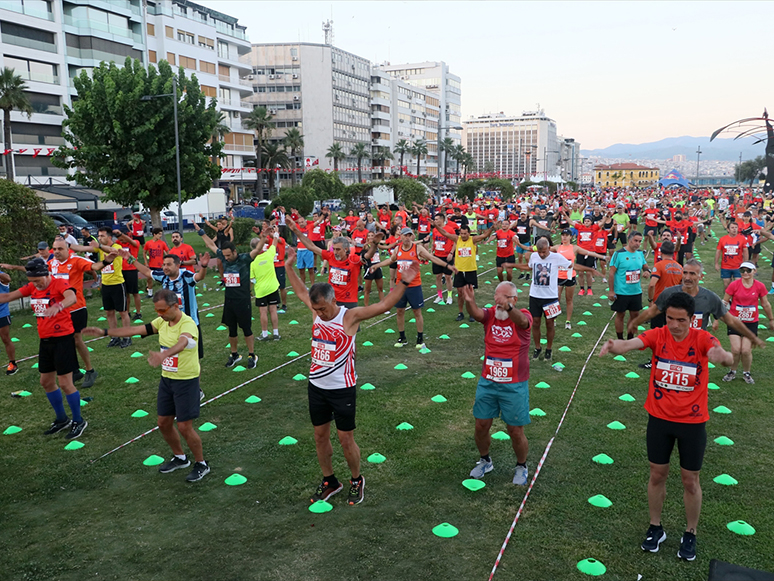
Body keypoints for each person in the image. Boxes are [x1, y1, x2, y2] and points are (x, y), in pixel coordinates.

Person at [599, 291, 734, 562]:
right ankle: (655, 527)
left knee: (690, 480)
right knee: (657, 474)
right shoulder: (659, 335)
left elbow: (718, 352)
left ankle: (690, 532)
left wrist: (725, 357)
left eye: (680, 320)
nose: (674, 325)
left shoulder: (702, 338)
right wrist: (616, 346)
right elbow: (635, 342)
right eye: (670, 318)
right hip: (659, 420)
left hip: (692, 423)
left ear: (691, 319)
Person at [284, 247, 421, 506]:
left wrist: (404, 281)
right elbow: (301, 291)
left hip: (342, 388)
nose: (320, 314)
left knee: (346, 439)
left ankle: (356, 479)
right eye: (316, 309)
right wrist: (289, 266)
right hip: (316, 387)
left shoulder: (350, 316)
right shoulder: (315, 311)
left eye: (323, 308)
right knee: (319, 436)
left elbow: (383, 305)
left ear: (333, 300)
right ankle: (330, 481)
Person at [83, 289, 210, 482]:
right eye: (157, 311)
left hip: (186, 381)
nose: (159, 315)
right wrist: (105, 332)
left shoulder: (188, 324)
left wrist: (163, 355)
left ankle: (201, 464)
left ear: (175, 306)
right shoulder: (162, 322)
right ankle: (180, 458)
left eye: (162, 310)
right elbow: (135, 330)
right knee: (163, 423)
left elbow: (183, 342)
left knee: (184, 426)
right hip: (167, 380)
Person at [0, 258, 87, 439]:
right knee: (46, 382)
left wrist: (59, 305)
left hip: (63, 340)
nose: (35, 284)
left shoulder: (58, 283)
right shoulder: (32, 287)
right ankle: (62, 419)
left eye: (37, 280)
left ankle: (79, 420)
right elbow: (7, 297)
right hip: (45, 341)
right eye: (31, 281)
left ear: (45, 275)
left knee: (65, 383)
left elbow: (72, 296)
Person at [461, 282, 533, 486]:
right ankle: (485, 460)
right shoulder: (492, 315)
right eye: (496, 297)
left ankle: (521, 465)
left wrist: (508, 308)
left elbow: (522, 321)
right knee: (481, 425)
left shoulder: (523, 316)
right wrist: (470, 302)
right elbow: (476, 314)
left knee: (515, 430)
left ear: (514, 300)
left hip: (514, 385)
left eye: (504, 298)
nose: (498, 302)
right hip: (488, 381)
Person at [627, 259, 763, 348]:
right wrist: (635, 322)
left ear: (700, 277)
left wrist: (751, 335)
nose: (687, 277)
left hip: (696, 348)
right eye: (685, 273)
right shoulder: (669, 293)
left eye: (692, 274)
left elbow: (730, 320)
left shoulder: (709, 298)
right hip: (670, 345)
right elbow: (653, 311)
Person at [370, 227, 458, 349]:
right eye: (405, 235)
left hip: (414, 286)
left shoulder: (417, 248)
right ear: (400, 236)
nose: (407, 238)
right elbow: (391, 260)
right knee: (399, 311)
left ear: (412, 236)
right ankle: (402, 337)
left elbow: (432, 258)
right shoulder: (398, 249)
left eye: (409, 235)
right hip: (400, 287)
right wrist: (377, 265)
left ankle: (420, 338)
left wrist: (448, 266)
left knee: (417, 312)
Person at [49, 238, 117, 388]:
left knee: (77, 340)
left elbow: (95, 266)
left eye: (60, 249)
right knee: (64, 341)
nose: (57, 252)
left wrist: (107, 261)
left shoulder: (76, 261)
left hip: (77, 308)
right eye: (54, 249)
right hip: (61, 309)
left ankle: (90, 370)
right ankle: (74, 371)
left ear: (68, 249)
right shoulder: (52, 263)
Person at [196, 222, 262, 369]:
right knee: (231, 329)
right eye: (224, 255)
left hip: (243, 300)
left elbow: (257, 249)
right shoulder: (223, 256)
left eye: (228, 255)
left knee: (246, 329)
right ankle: (234, 354)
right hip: (229, 300)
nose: (225, 258)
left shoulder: (244, 259)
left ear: (234, 251)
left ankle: (252, 355)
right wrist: (201, 232)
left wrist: (263, 236)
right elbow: (211, 245)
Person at [721, 261, 774, 384]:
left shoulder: (759, 286)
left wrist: (771, 319)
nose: (745, 273)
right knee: (735, 349)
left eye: (748, 270)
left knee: (745, 350)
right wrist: (719, 318)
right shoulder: (734, 285)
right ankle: (732, 371)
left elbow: (765, 304)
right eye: (742, 270)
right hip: (735, 322)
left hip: (751, 323)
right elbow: (724, 302)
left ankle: (746, 373)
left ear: (754, 271)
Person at [434, 222, 494, 321]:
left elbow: (484, 235)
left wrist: (491, 228)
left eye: (465, 233)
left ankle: (472, 313)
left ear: (469, 233)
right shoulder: (457, 239)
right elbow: (444, 233)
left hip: (470, 270)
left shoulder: (473, 239)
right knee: (460, 293)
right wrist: (436, 225)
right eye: (461, 233)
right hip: (459, 270)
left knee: (470, 293)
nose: (463, 235)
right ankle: (460, 312)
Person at [550, 229, 607, 330]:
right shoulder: (557, 247)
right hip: (558, 277)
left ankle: (568, 321)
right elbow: (543, 250)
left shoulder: (574, 248)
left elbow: (589, 253)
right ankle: (554, 319)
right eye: (563, 235)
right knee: (556, 299)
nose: (564, 237)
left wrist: (602, 256)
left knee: (569, 300)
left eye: (567, 235)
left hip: (570, 276)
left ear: (571, 237)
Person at [608, 232, 650, 340]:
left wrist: (647, 271)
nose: (638, 244)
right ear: (629, 240)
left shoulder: (640, 253)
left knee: (635, 314)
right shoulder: (619, 254)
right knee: (620, 315)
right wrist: (611, 291)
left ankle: (630, 338)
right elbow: (611, 273)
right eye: (636, 241)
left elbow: (645, 266)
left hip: (636, 291)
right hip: (621, 291)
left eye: (640, 241)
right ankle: (620, 339)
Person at [95, 227, 133, 348]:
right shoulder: (100, 248)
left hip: (117, 284)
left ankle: (127, 337)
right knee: (109, 312)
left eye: (102, 236)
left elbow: (113, 252)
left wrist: (99, 246)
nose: (99, 238)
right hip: (106, 285)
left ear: (109, 237)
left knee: (122, 312)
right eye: (99, 236)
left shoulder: (116, 247)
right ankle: (115, 337)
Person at [250, 228, 282, 341]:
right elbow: (275, 241)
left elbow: (252, 280)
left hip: (261, 290)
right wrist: (275, 232)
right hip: (273, 287)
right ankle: (276, 333)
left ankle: (264, 335)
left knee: (263, 312)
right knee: (273, 310)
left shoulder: (252, 263)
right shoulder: (269, 254)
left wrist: (249, 291)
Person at [430, 213, 459, 305]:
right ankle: (440, 296)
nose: (435, 221)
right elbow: (434, 241)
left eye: (437, 219)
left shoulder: (449, 229)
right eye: (435, 219)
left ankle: (449, 296)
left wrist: (451, 253)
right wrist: (432, 251)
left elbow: (455, 241)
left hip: (447, 256)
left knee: (447, 277)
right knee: (438, 276)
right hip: (437, 255)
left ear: (442, 220)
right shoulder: (435, 230)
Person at [715, 221, 749, 289]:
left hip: (738, 266)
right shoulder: (722, 239)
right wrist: (716, 263)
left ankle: (736, 299)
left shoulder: (742, 239)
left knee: (738, 284)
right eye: (732, 227)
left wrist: (746, 263)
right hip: (726, 266)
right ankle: (728, 299)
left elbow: (745, 251)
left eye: (736, 227)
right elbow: (718, 251)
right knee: (726, 284)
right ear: (728, 229)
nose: (734, 229)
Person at [143, 227, 169, 297]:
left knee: (164, 279)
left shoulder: (162, 243)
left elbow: (167, 252)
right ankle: (150, 293)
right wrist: (146, 262)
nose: (160, 236)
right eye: (159, 234)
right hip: (151, 264)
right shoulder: (148, 243)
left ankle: (165, 293)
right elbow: (144, 252)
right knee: (149, 279)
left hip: (160, 265)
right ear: (155, 234)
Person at [0, 269, 17, 375]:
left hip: (2, 313)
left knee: (5, 339)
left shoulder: (2, 276)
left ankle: (13, 363)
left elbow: (8, 279)